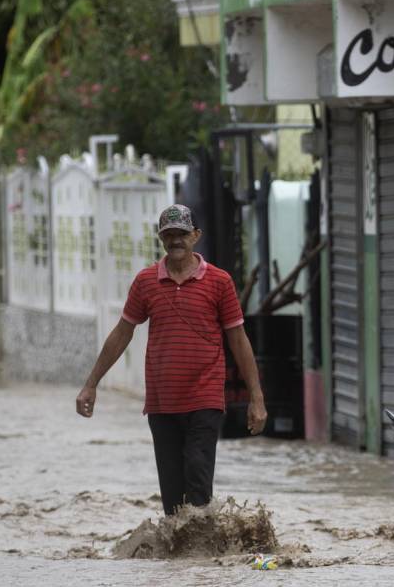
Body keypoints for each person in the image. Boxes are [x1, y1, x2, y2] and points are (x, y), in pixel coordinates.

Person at [75, 204, 266, 516]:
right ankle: (177, 563)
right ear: (161, 239)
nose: (176, 240)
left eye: (182, 234)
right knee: (172, 497)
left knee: (198, 477)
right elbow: (122, 333)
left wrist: (256, 398)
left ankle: (202, 557)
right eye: (169, 235)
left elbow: (239, 341)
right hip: (162, 404)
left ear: (196, 236)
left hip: (204, 399)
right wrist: (91, 384)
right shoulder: (146, 282)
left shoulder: (219, 282)